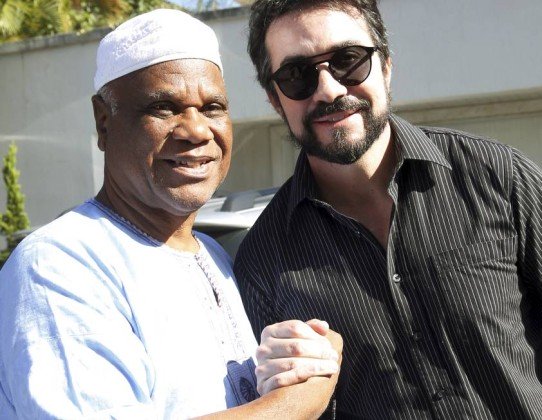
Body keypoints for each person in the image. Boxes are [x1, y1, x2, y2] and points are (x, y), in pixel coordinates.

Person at [234, 0, 542, 418]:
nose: (329, 89)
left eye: (349, 60)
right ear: (275, 98)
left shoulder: (498, 177)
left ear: (386, 66)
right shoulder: (261, 260)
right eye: (297, 75)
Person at [0, 9, 341, 419]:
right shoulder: (60, 264)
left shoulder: (212, 254)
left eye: (212, 107)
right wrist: (302, 399)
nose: (196, 130)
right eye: (163, 108)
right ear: (104, 123)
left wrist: (299, 361)